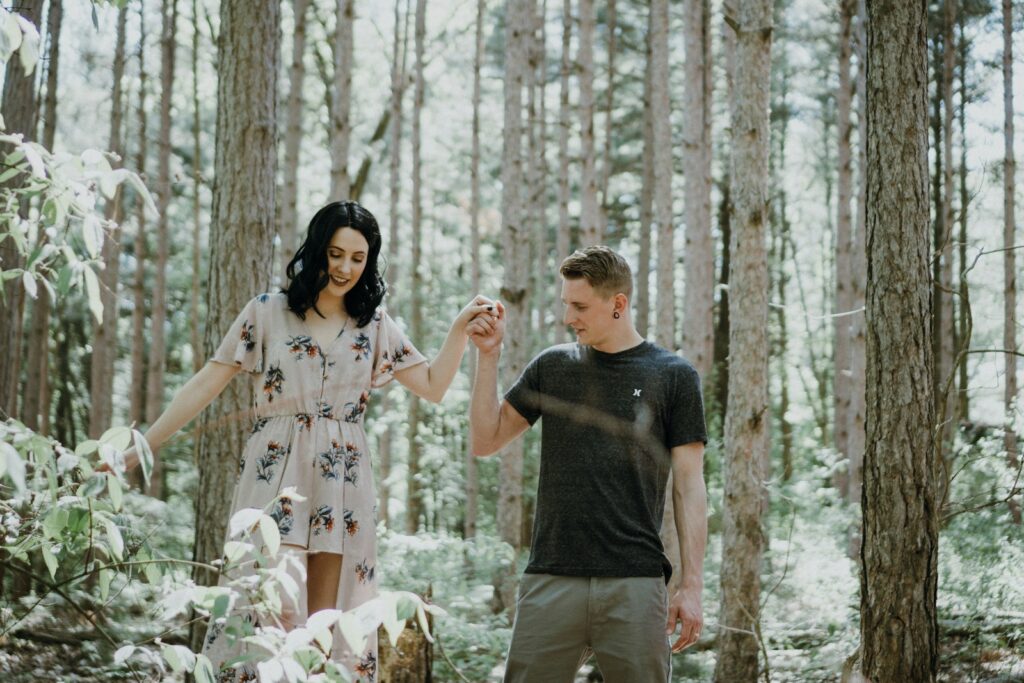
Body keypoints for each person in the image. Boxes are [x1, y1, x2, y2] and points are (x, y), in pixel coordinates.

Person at [115, 201, 497, 681]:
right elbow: (205, 383)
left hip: (342, 481)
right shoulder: (266, 313)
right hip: (274, 475)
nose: (344, 268)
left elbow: (434, 386)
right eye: (336, 254)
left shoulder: (373, 324)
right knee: (265, 607)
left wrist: (460, 327)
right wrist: (140, 449)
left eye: (358, 259)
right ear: (317, 250)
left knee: (327, 622)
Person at [466, 246, 708, 683]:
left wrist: (691, 586)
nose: (568, 317)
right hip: (552, 576)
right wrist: (488, 356)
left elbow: (689, 488)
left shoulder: (673, 375)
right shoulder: (553, 367)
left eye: (579, 306)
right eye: (566, 305)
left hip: (634, 581)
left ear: (618, 304)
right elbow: (486, 441)